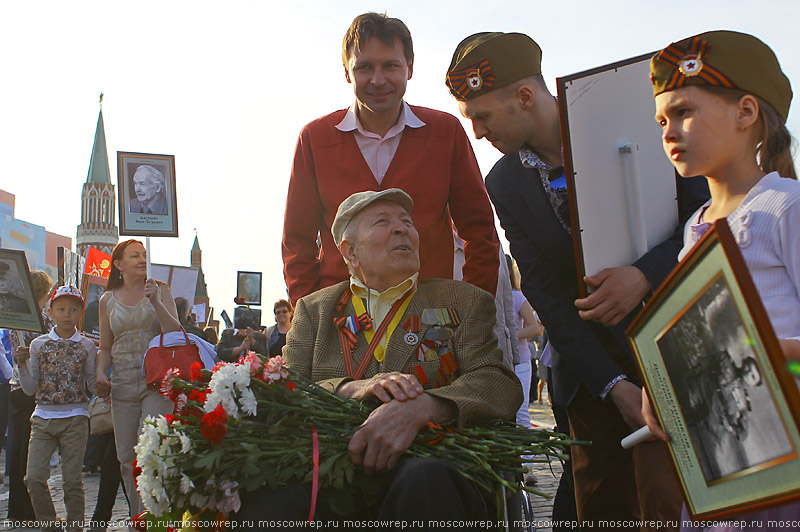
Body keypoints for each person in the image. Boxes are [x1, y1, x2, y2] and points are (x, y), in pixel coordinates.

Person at [446, 32, 711, 530]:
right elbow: (545, 292)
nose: (478, 134)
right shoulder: (504, 182)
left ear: (525, 97)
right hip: (591, 381)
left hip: (679, 346)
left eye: (483, 116)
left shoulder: (640, 126)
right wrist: (613, 386)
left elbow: (708, 214)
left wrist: (643, 275)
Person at [237, 189, 521, 527]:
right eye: (383, 222)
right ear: (350, 251)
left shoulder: (462, 301)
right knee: (263, 495)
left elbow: (497, 382)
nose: (402, 229)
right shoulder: (315, 310)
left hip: (427, 464)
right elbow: (288, 389)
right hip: (333, 471)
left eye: (406, 222)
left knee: (425, 480)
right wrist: (349, 389)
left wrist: (425, 407)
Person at [641, 30, 800, 531]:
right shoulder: (694, 227)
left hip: (785, 460)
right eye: (662, 119)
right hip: (722, 460)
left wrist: (747, 346)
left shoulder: (785, 208)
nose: (669, 131)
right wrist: (663, 380)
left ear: (746, 112)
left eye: (685, 111)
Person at [282, 12, 500, 305]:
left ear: (409, 68)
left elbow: (480, 230)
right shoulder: (314, 140)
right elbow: (297, 241)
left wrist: (472, 307)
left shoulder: (446, 133)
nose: (378, 79)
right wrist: (310, 315)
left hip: (429, 321)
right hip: (342, 323)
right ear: (347, 71)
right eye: (365, 67)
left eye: (390, 66)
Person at [94, 239, 182, 520]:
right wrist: (99, 374)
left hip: (155, 381)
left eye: (144, 255)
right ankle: (139, 519)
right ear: (118, 265)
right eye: (135, 256)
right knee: (126, 459)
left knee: (154, 449)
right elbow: (105, 347)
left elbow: (174, 332)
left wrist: (155, 300)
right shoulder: (107, 300)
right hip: (120, 383)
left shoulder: (160, 290)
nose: (142, 259)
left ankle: (162, 517)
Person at [17, 285, 97, 532]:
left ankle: (75, 528)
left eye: (73, 309)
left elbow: (92, 383)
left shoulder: (87, 345)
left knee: (72, 481)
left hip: (76, 418)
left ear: (80, 313)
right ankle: (50, 525)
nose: (66, 314)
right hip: (42, 418)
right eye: (61, 309)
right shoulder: (38, 345)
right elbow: (30, 388)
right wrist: (21, 365)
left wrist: (106, 380)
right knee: (34, 478)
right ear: (51, 311)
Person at [7, 270, 53, 523]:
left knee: (20, 449)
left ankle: (19, 508)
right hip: (33, 388)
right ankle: (29, 508)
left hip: (18, 387)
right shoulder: (40, 319)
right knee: (31, 451)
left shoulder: (18, 316)